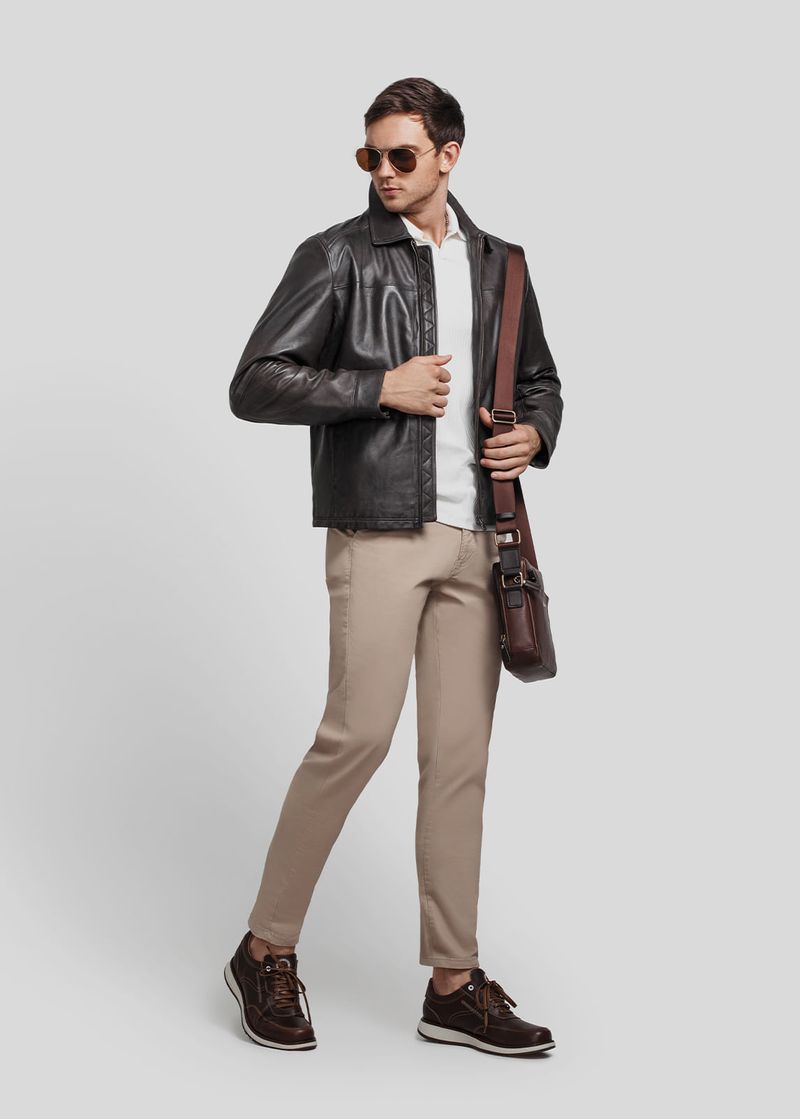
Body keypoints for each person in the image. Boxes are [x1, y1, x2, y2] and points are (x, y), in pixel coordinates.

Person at [223, 76, 564, 1058]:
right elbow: (256, 382)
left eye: (401, 155)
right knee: (356, 737)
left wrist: (535, 433)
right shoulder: (336, 255)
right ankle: (263, 947)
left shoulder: (501, 265)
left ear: (448, 156)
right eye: (368, 155)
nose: (381, 171)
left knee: (458, 762)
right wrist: (381, 387)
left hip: (478, 537)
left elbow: (539, 378)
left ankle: (453, 983)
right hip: (378, 528)